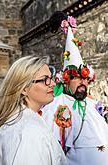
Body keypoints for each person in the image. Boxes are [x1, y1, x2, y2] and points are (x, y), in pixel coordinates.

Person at [42, 11, 108, 165]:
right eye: (77, 77)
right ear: (65, 80)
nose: (83, 82)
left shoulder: (94, 105)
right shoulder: (55, 107)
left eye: (85, 78)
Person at [0, 55, 67, 165]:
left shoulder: (21, 121)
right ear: (24, 88)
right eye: (45, 80)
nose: (53, 84)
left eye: (51, 77)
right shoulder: (30, 132)